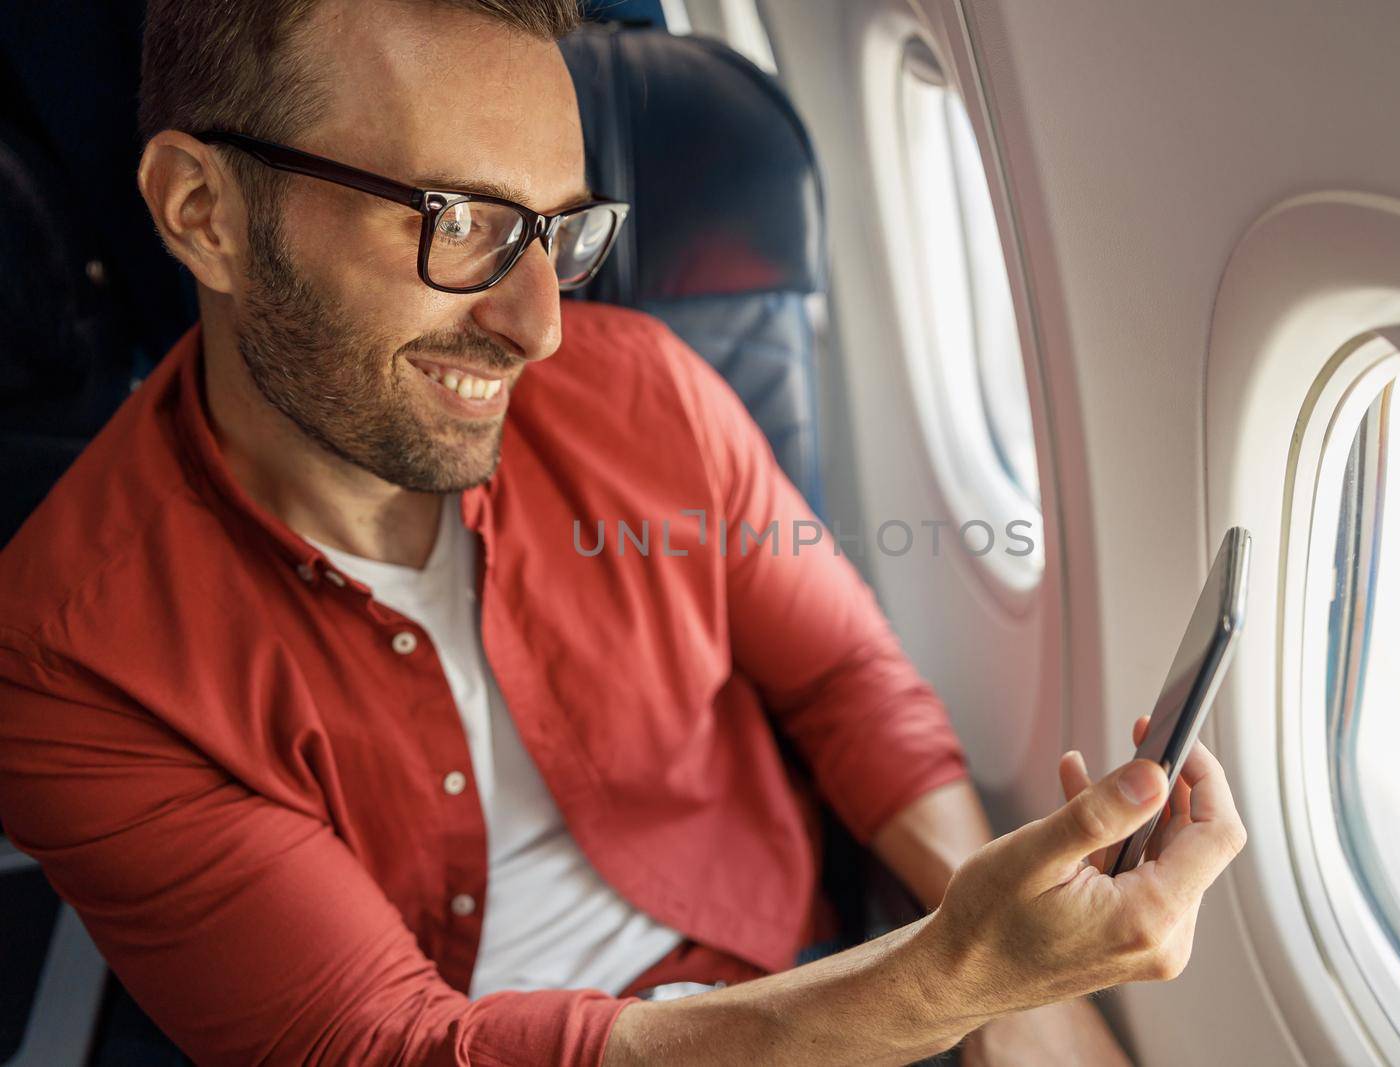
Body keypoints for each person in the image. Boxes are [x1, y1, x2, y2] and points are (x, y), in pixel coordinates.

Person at [0, 1, 1247, 1064]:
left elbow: (843, 674)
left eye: (556, 231)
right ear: (202, 210)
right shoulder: (65, 655)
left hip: (794, 966)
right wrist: (955, 977)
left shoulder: (644, 389)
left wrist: (1024, 994)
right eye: (459, 223)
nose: (541, 325)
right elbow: (390, 1046)